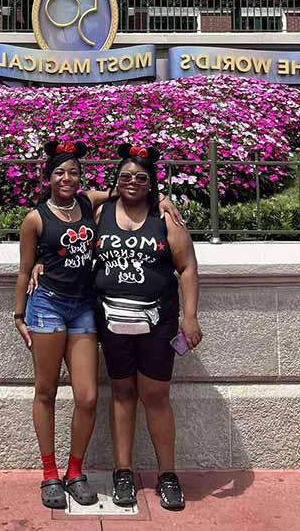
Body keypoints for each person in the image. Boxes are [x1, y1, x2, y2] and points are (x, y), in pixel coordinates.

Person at [14, 140, 182, 509]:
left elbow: (127, 191)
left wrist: (163, 201)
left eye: (73, 171)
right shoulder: (35, 218)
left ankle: (75, 471)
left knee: (88, 396)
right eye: (59, 172)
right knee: (45, 391)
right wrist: (19, 312)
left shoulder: (91, 204)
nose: (67, 178)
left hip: (85, 308)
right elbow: (26, 266)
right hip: (48, 307)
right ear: (47, 177)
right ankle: (49, 475)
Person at [92, 143, 202, 511]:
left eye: (141, 177)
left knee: (156, 396)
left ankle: (167, 474)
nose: (133, 182)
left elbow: (187, 267)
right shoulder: (100, 212)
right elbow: (64, 204)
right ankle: (122, 471)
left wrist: (190, 317)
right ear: (115, 181)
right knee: (122, 393)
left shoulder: (164, 217)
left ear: (152, 183)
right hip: (111, 320)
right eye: (125, 176)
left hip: (159, 321)